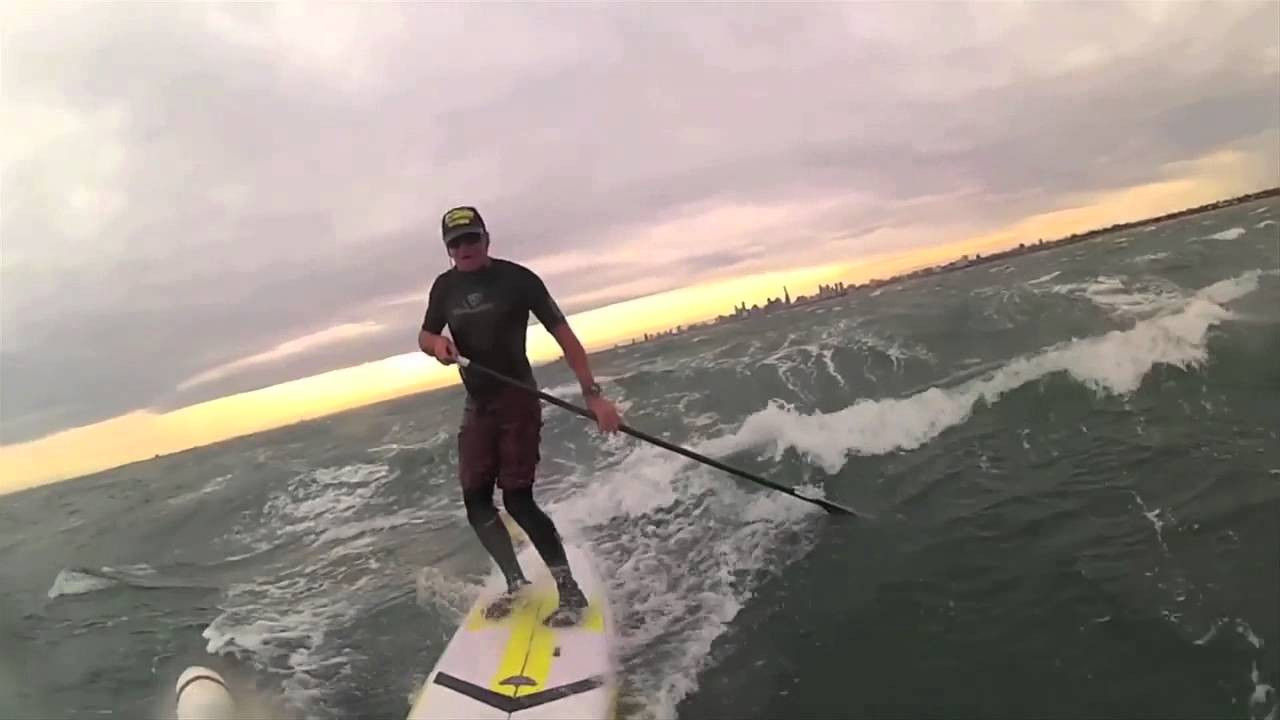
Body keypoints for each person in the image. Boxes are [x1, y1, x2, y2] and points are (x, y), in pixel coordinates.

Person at [418, 205, 622, 626]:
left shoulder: (518, 279)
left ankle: (570, 593)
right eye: (456, 243)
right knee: (475, 498)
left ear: (486, 239)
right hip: (478, 404)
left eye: (472, 238)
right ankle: (516, 584)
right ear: (448, 250)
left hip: (517, 399)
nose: (465, 247)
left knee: (517, 498)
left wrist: (594, 395)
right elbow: (424, 334)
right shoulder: (444, 288)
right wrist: (437, 345)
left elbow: (565, 336)